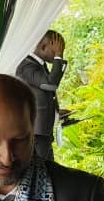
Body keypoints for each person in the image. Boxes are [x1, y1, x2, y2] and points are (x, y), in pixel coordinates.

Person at [15, 30, 68, 161]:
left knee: (47, 169)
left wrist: (56, 112)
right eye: (55, 50)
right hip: (36, 132)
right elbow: (50, 85)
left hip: (43, 132)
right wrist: (58, 57)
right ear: (43, 47)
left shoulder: (40, 66)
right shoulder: (27, 66)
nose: (59, 54)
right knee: (41, 169)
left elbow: (39, 97)